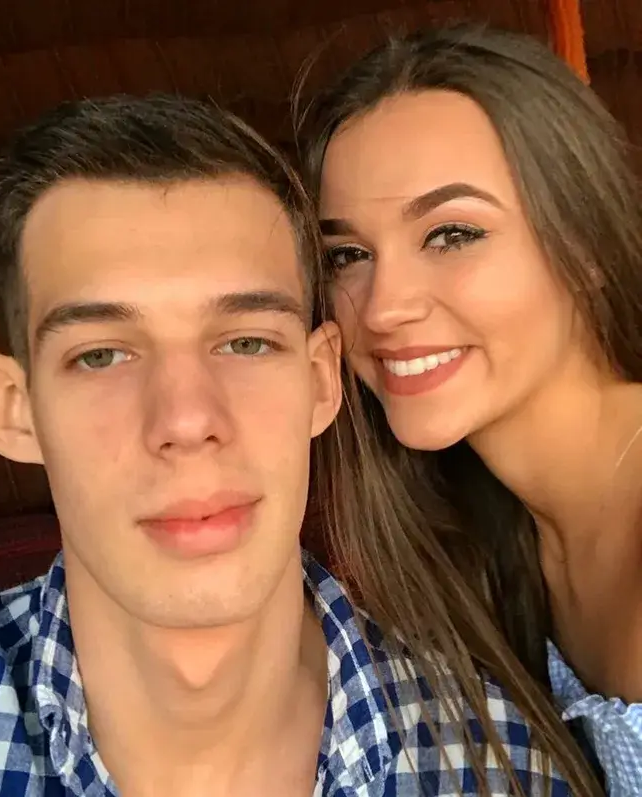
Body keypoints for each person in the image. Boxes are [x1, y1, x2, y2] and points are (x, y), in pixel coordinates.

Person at [0, 94, 577, 797]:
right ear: (14, 409)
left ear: (321, 381)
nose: (187, 420)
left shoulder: (496, 769)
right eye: (102, 355)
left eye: (246, 343)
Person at [297, 21, 642, 797]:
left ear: (584, 243)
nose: (382, 307)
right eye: (347, 254)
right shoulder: (480, 536)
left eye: (451, 234)